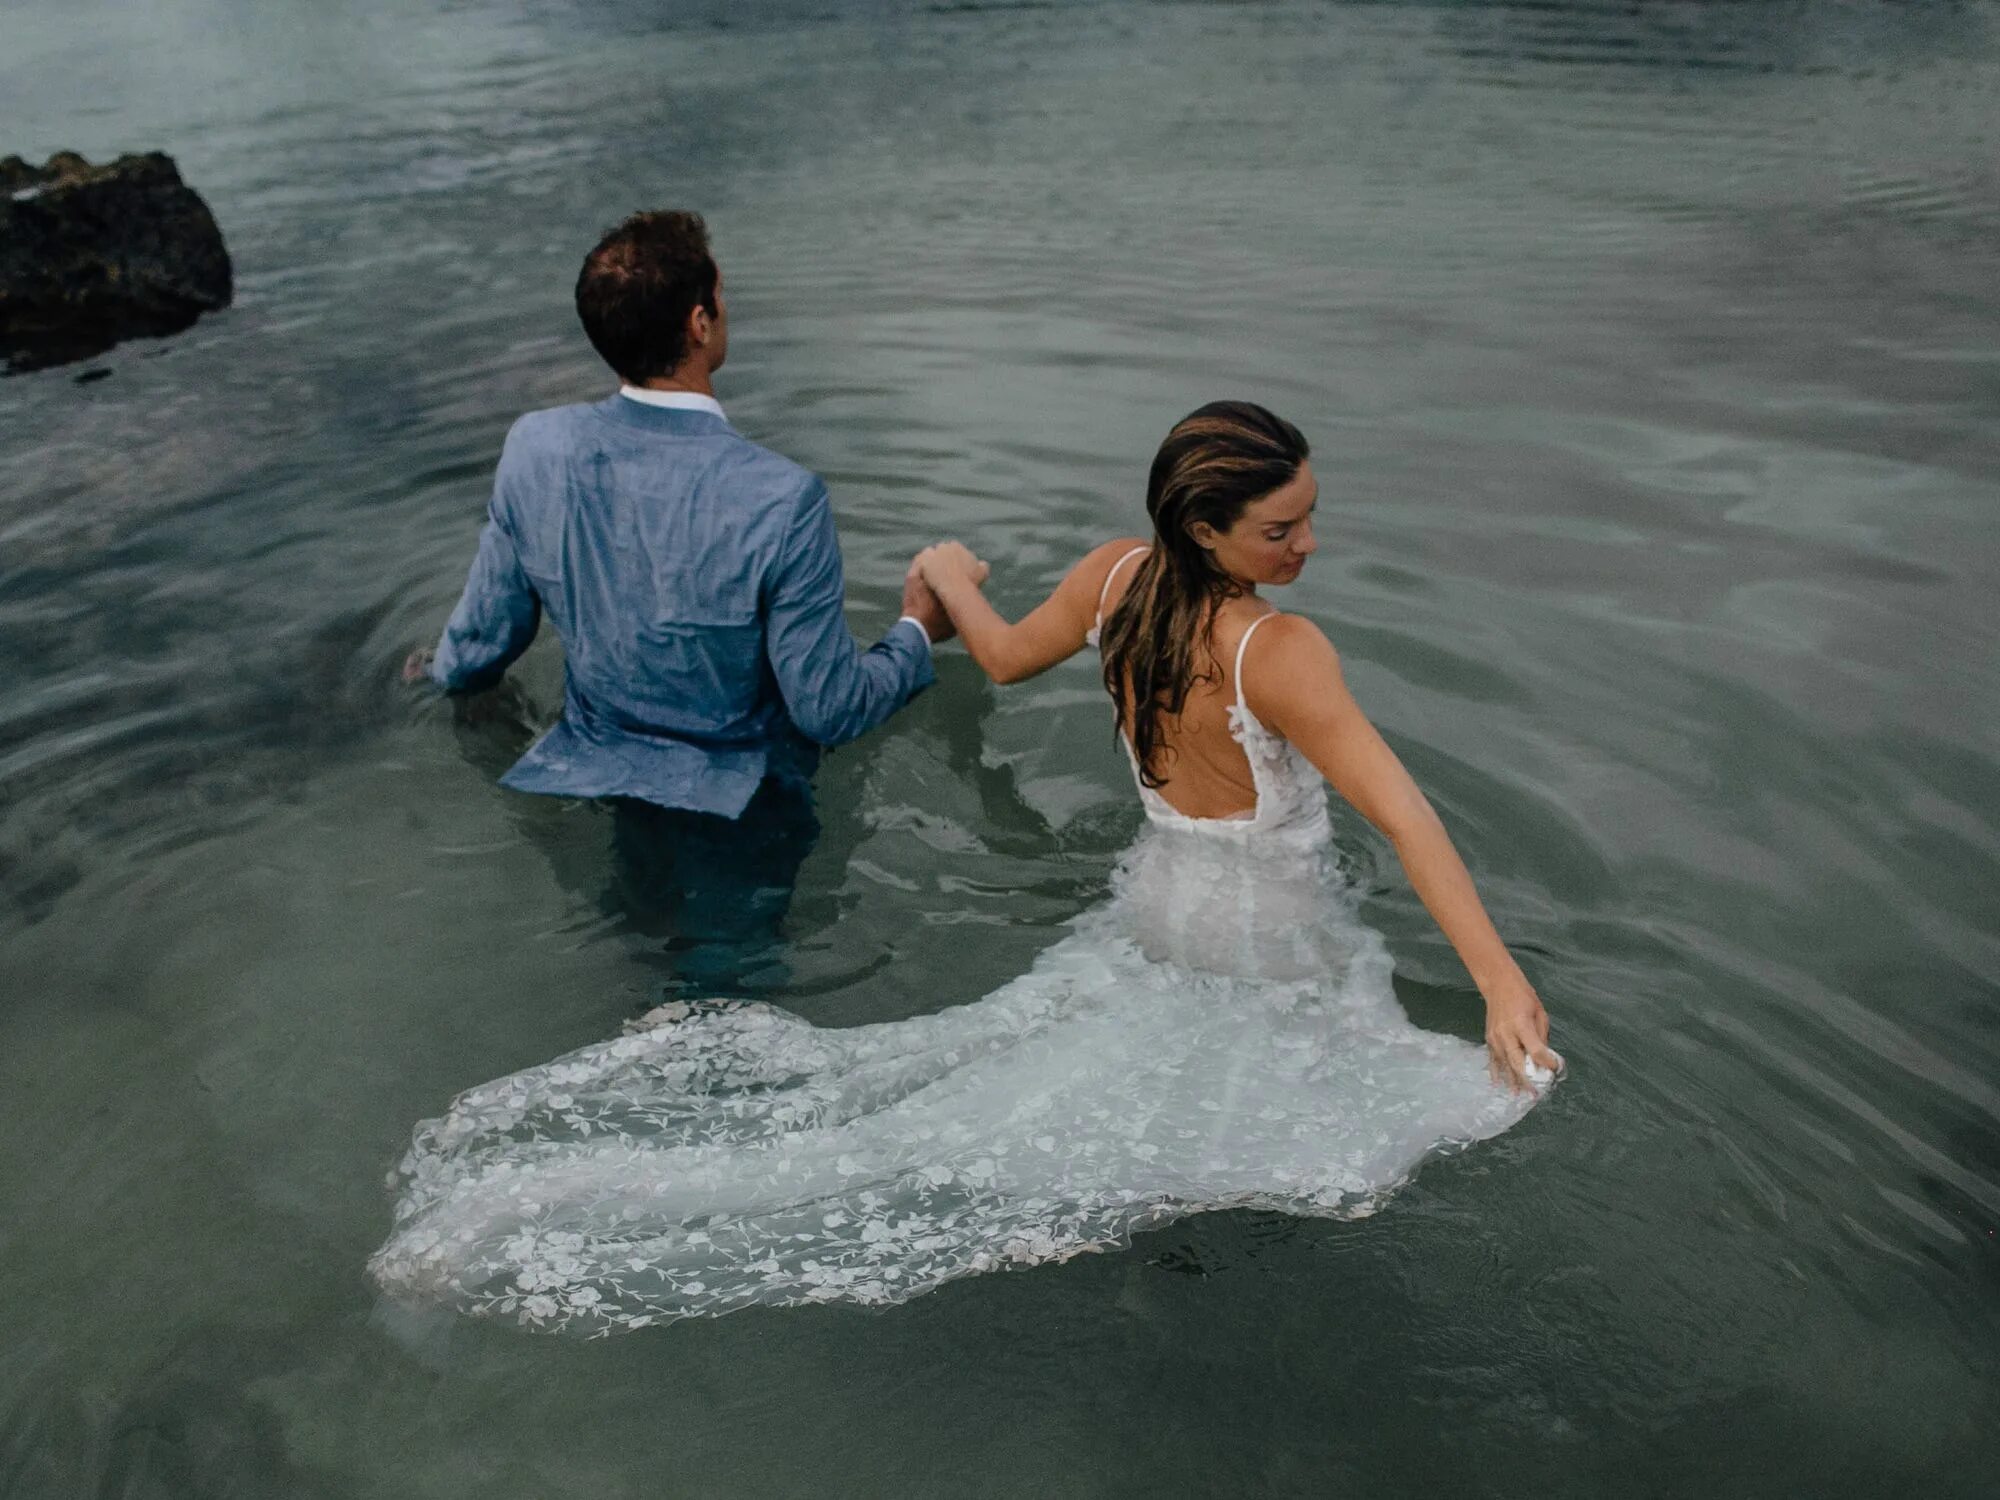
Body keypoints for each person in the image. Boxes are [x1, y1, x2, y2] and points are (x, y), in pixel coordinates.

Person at [370, 402, 1562, 1335]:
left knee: (1053, 1104)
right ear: (1206, 529)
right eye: (1280, 527)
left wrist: (944, 578)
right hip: (1265, 929)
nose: (1307, 542)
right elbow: (1405, 819)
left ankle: (531, 1216)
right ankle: (1155, 1279)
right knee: (1229, 1127)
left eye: (1306, 517)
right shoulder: (1280, 650)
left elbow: (994, 662)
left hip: (1153, 900)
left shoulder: (1115, 578)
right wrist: (1501, 984)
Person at [406, 210, 959, 986]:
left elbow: (479, 645)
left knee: (642, 981)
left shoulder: (536, 448)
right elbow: (828, 709)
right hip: (739, 809)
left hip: (594, 773)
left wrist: (436, 671)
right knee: (722, 1017)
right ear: (701, 323)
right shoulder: (781, 499)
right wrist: (915, 629)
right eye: (721, 298)